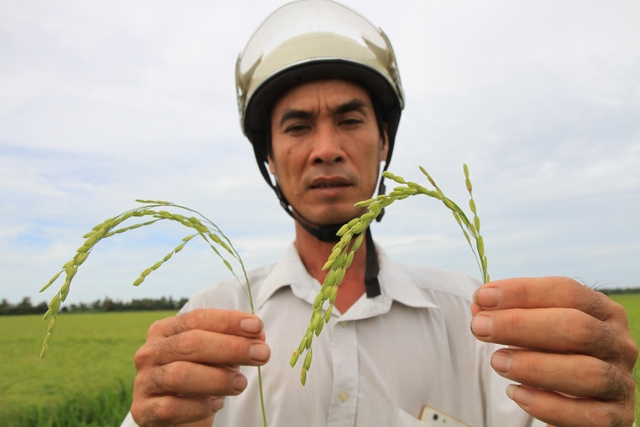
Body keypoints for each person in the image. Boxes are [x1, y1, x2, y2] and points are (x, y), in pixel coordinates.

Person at [121, 1, 637, 426]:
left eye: (350, 119)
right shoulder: (215, 324)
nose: (326, 148)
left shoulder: (472, 321)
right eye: (298, 127)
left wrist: (597, 399)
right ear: (270, 160)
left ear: (384, 142)